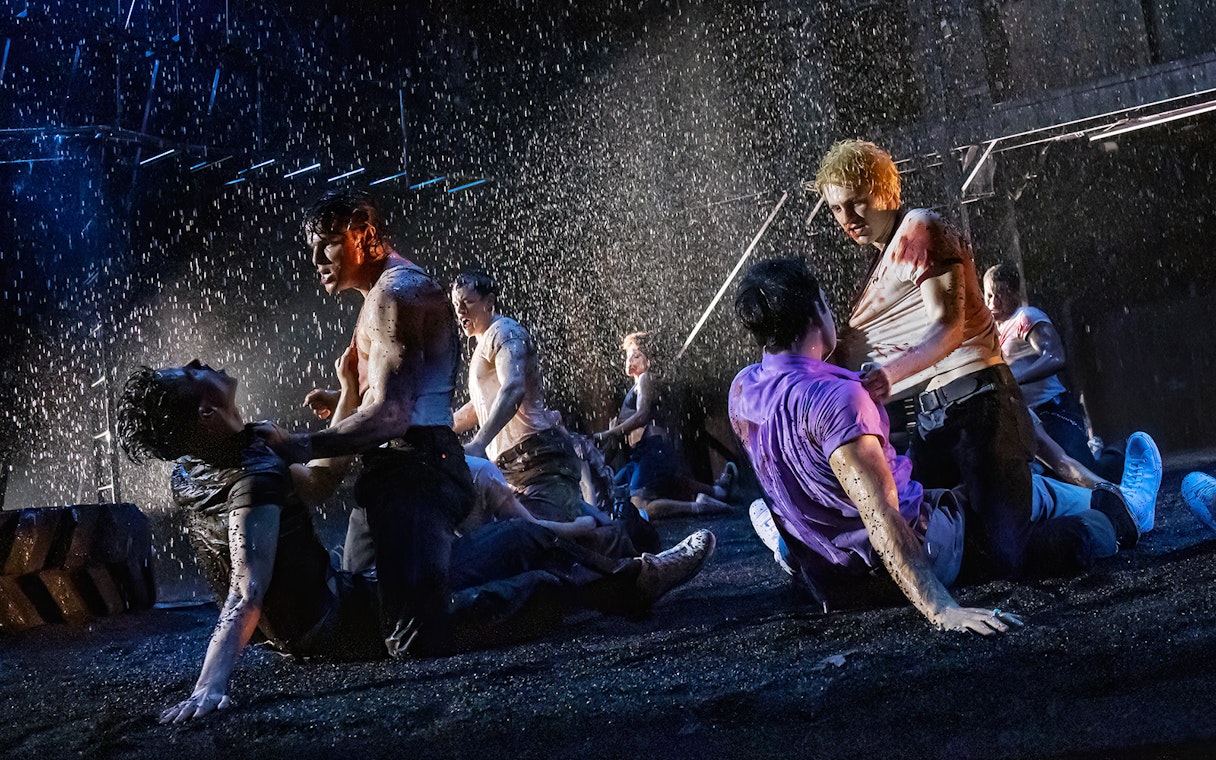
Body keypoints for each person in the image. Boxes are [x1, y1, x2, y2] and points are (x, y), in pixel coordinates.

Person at [117, 360, 717, 723]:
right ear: (201, 410)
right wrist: (209, 686)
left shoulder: (205, 464)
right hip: (348, 628)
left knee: (515, 539)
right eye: (191, 372)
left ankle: (634, 564)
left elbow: (321, 481)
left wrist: (349, 389)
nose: (202, 363)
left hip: (359, 594)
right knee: (531, 588)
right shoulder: (250, 477)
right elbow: (246, 590)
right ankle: (634, 586)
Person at [728, 258, 1154, 630]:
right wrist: (941, 610)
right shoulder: (836, 401)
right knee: (1026, 501)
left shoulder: (742, 390)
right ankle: (1128, 511)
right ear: (815, 312)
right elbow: (881, 517)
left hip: (832, 577)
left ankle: (792, 546)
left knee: (950, 487)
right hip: (913, 556)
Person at [815, 139, 1085, 577]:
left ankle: (1107, 517)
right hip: (936, 418)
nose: (847, 219)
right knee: (936, 540)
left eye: (857, 203)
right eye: (836, 209)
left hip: (982, 407)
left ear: (885, 190)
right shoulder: (886, 259)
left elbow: (948, 328)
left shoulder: (920, 229)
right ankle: (1046, 496)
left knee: (1008, 557)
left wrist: (887, 375)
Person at [262, 189, 473, 659]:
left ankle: (553, 562)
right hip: (393, 472)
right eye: (312, 248)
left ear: (361, 232)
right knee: (360, 608)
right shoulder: (382, 296)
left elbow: (394, 416)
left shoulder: (395, 294)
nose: (316, 258)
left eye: (327, 244)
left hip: (415, 471)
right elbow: (403, 391)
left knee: (412, 640)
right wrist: (348, 394)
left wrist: (295, 444)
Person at [450, 268, 587, 523]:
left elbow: (513, 389)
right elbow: (484, 404)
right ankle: (611, 532)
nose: (460, 311)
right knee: (538, 535)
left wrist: (479, 443)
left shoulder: (505, 332)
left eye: (467, 302)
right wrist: (446, 425)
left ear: (489, 302)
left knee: (542, 540)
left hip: (539, 460)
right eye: (457, 304)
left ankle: (631, 547)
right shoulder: (484, 341)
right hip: (519, 466)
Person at [982, 262, 1126, 482]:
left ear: (1014, 293)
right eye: (989, 295)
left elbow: (1056, 356)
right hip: (1028, 415)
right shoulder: (993, 329)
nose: (993, 303)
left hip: (1053, 408)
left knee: (1087, 474)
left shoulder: (1026, 317)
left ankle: (1120, 452)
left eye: (1000, 295)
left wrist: (1013, 380)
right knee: (1056, 477)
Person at [594, 331, 735, 519]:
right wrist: (616, 430)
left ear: (649, 360)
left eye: (637, 355)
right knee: (625, 488)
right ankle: (718, 491)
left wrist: (609, 433)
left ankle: (699, 506)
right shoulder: (636, 385)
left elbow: (643, 415)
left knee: (638, 504)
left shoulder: (646, 379)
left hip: (653, 448)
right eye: (628, 356)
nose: (630, 360)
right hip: (642, 453)